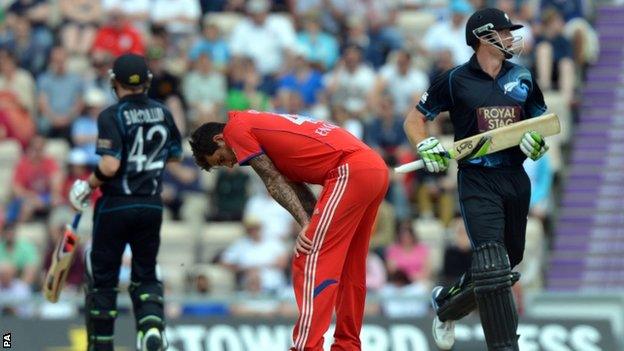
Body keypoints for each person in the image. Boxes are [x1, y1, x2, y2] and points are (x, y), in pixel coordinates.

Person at [403, 8, 549, 351]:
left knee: (504, 265)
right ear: (484, 37)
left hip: (515, 177)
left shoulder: (523, 77)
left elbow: (540, 126)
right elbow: (414, 120)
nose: (512, 38)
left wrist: (537, 145)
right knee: (493, 265)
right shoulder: (454, 79)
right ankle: (505, 346)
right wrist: (425, 145)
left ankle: (446, 304)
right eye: (505, 32)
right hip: (477, 179)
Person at [189, 109, 389, 350]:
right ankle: (347, 345)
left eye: (221, 159)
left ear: (219, 139)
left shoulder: (235, 130)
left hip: (350, 170)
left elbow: (273, 181)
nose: (230, 165)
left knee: (309, 255)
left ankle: (307, 346)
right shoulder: (258, 125)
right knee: (350, 265)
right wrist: (310, 220)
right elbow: (293, 182)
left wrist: (306, 224)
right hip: (373, 167)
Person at [68, 53, 182, 351]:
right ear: (147, 82)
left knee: (103, 278)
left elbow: (108, 167)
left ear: (114, 82)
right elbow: (174, 155)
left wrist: (86, 185)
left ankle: (102, 344)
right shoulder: (163, 112)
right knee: (145, 272)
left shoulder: (111, 115)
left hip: (116, 204)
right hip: (151, 206)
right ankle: (151, 326)